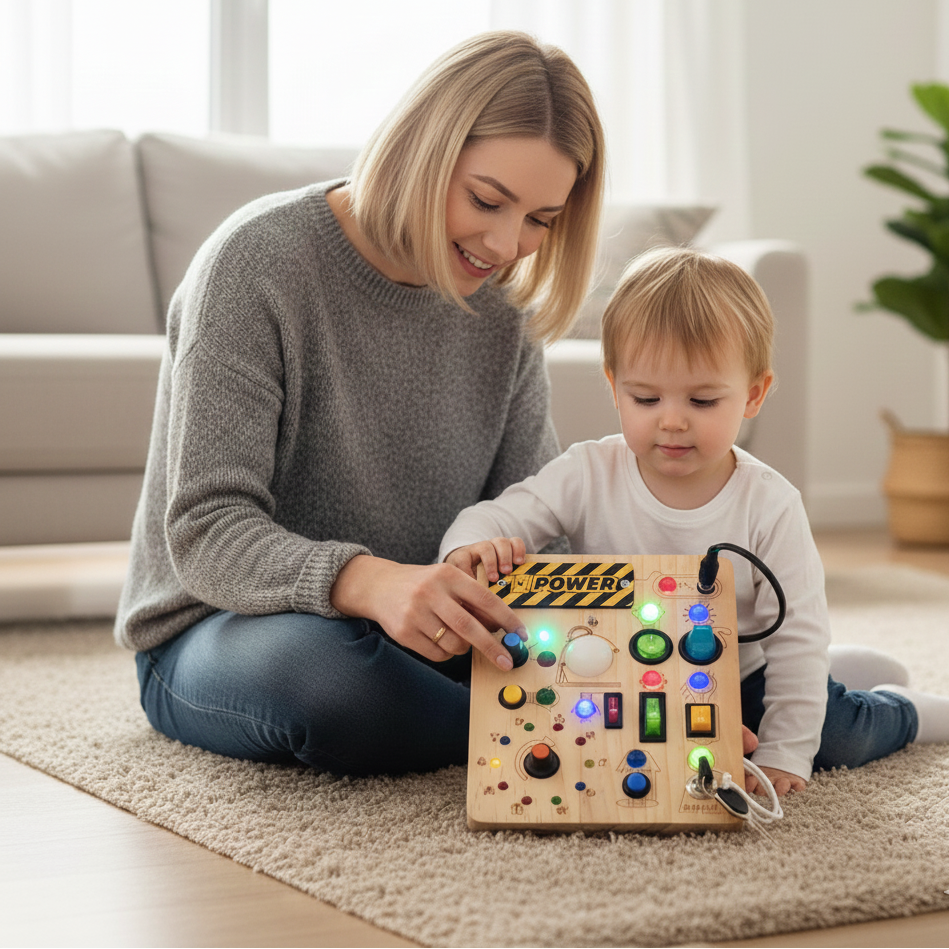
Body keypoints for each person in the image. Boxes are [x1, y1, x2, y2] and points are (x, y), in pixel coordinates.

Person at [114, 32, 605, 776]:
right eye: (485, 199)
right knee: (339, 686)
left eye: (540, 219)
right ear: (423, 148)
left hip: (423, 633)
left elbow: (535, 520)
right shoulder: (257, 261)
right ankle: (582, 728)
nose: (507, 244)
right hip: (228, 630)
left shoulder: (502, 311)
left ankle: (614, 714)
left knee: (662, 651)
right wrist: (372, 582)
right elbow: (207, 530)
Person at [440, 246, 949, 795]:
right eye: (646, 397)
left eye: (703, 401)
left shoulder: (770, 502)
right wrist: (468, 548)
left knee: (831, 739)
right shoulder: (585, 472)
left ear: (753, 395)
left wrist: (785, 752)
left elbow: (798, 635)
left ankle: (909, 711)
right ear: (614, 388)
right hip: (621, 679)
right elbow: (494, 517)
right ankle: (844, 671)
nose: (673, 420)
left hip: (735, 676)